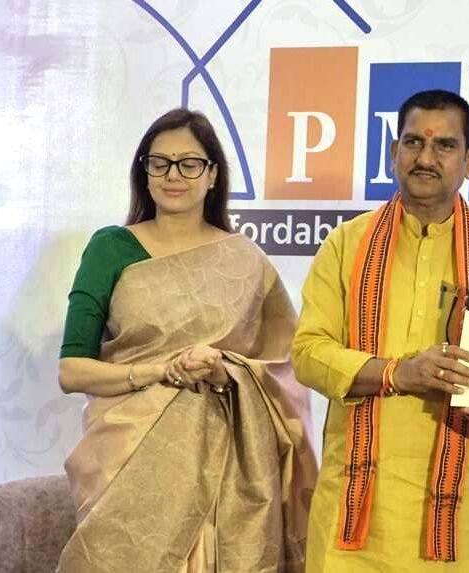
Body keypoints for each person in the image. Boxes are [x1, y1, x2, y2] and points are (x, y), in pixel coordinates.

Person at [292, 89, 469, 572]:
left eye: (445, 146)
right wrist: (399, 372)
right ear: (394, 152)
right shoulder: (346, 245)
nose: (425, 158)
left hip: (458, 519)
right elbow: (307, 352)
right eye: (413, 143)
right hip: (356, 516)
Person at [56, 108, 317, 572]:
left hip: (230, 469)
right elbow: (71, 372)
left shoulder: (247, 261)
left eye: (189, 163)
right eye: (159, 163)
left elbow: (286, 371)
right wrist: (158, 371)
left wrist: (224, 370)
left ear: (213, 174)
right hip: (129, 461)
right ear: (144, 172)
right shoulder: (111, 248)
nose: (173, 175)